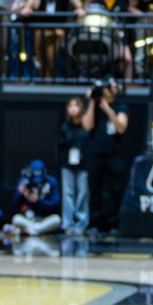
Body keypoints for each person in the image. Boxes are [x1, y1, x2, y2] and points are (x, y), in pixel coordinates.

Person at [82, 76, 130, 233]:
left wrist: (107, 108)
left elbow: (121, 127)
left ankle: (113, 222)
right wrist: (92, 102)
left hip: (113, 153)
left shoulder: (120, 106)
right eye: (110, 87)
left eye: (114, 87)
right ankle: (95, 223)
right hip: (95, 152)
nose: (113, 90)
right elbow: (87, 126)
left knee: (113, 189)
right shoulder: (94, 105)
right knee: (94, 189)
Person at [58, 96, 92, 234]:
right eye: (70, 105)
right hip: (67, 164)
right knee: (67, 192)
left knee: (83, 192)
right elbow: (61, 145)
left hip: (83, 164)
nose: (73, 108)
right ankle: (68, 222)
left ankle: (81, 221)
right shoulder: (65, 126)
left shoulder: (86, 126)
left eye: (76, 105)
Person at [7, 160, 62, 238]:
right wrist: (19, 194)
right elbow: (14, 207)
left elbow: (55, 204)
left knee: (57, 220)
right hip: (30, 219)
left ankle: (32, 230)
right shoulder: (25, 182)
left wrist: (38, 201)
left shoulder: (52, 182)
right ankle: (37, 230)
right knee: (16, 219)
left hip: (46, 219)